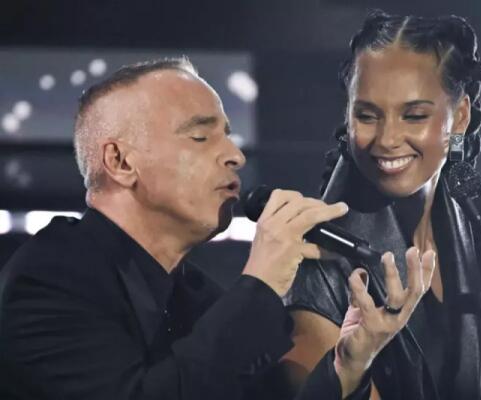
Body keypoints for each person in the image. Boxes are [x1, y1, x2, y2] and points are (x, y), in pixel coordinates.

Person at [0, 58, 435, 400]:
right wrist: (262, 281)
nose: (235, 156)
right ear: (120, 162)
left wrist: (349, 365)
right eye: (200, 137)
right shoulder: (50, 277)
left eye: (228, 136)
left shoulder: (199, 296)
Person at [282, 11, 481, 400]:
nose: (387, 139)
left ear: (460, 118)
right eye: (367, 115)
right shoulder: (320, 259)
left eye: (414, 115)